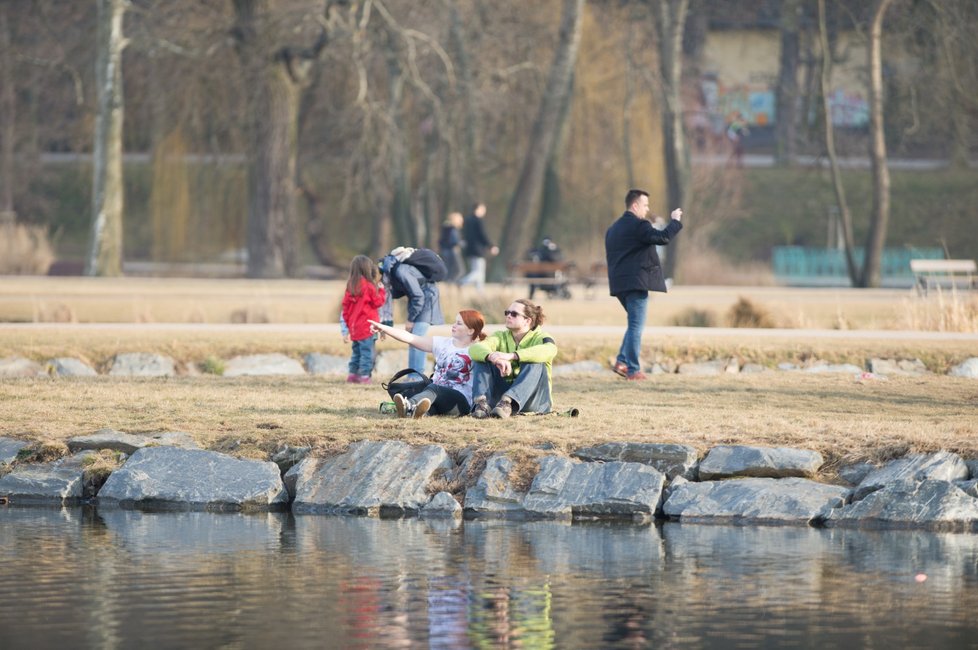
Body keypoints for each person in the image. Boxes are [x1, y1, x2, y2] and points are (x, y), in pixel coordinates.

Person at [605, 189, 683, 381]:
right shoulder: (639, 225)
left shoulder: (613, 229)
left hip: (619, 285)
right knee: (636, 326)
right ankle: (633, 370)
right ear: (635, 205)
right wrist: (675, 221)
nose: (647, 210)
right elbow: (663, 237)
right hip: (636, 284)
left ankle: (621, 361)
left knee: (633, 324)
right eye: (645, 205)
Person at [369, 309, 486, 419]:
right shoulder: (442, 343)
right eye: (455, 322)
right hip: (436, 397)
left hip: (459, 402)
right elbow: (410, 338)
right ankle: (414, 412)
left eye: (459, 323)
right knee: (420, 394)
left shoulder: (478, 350)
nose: (454, 325)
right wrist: (383, 328)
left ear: (470, 330)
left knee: (434, 388)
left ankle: (409, 405)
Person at [468, 298, 557, 419]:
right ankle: (482, 404)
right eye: (507, 313)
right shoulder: (500, 336)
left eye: (514, 314)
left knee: (536, 362)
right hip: (500, 403)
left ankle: (508, 402)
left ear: (527, 320)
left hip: (534, 401)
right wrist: (493, 357)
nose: (508, 316)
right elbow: (475, 348)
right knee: (482, 358)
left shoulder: (542, 337)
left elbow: (550, 350)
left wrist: (512, 356)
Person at [379, 246, 445, 373]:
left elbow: (418, 296)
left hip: (428, 300)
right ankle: (413, 375)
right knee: (414, 340)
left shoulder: (401, 271)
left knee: (417, 339)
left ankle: (416, 375)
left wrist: (411, 320)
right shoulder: (396, 271)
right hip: (423, 299)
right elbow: (402, 291)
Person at [341, 255, 386, 384]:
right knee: (367, 353)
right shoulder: (369, 286)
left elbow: (345, 307)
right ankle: (365, 376)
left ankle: (352, 375)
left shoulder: (350, 285)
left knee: (356, 352)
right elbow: (377, 302)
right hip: (367, 326)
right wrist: (382, 290)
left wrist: (349, 325)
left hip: (355, 327)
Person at [458, 202, 499, 291]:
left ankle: (480, 291)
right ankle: (463, 281)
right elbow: (483, 235)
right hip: (478, 250)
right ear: (479, 209)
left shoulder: (467, 220)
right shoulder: (478, 221)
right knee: (478, 272)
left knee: (477, 271)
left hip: (469, 249)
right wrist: (491, 246)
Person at [438, 211, 465, 282]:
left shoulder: (445, 228)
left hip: (445, 251)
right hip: (452, 251)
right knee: (459, 270)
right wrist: (461, 243)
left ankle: (447, 283)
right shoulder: (453, 229)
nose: (462, 221)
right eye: (460, 219)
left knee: (448, 269)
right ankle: (451, 283)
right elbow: (454, 241)